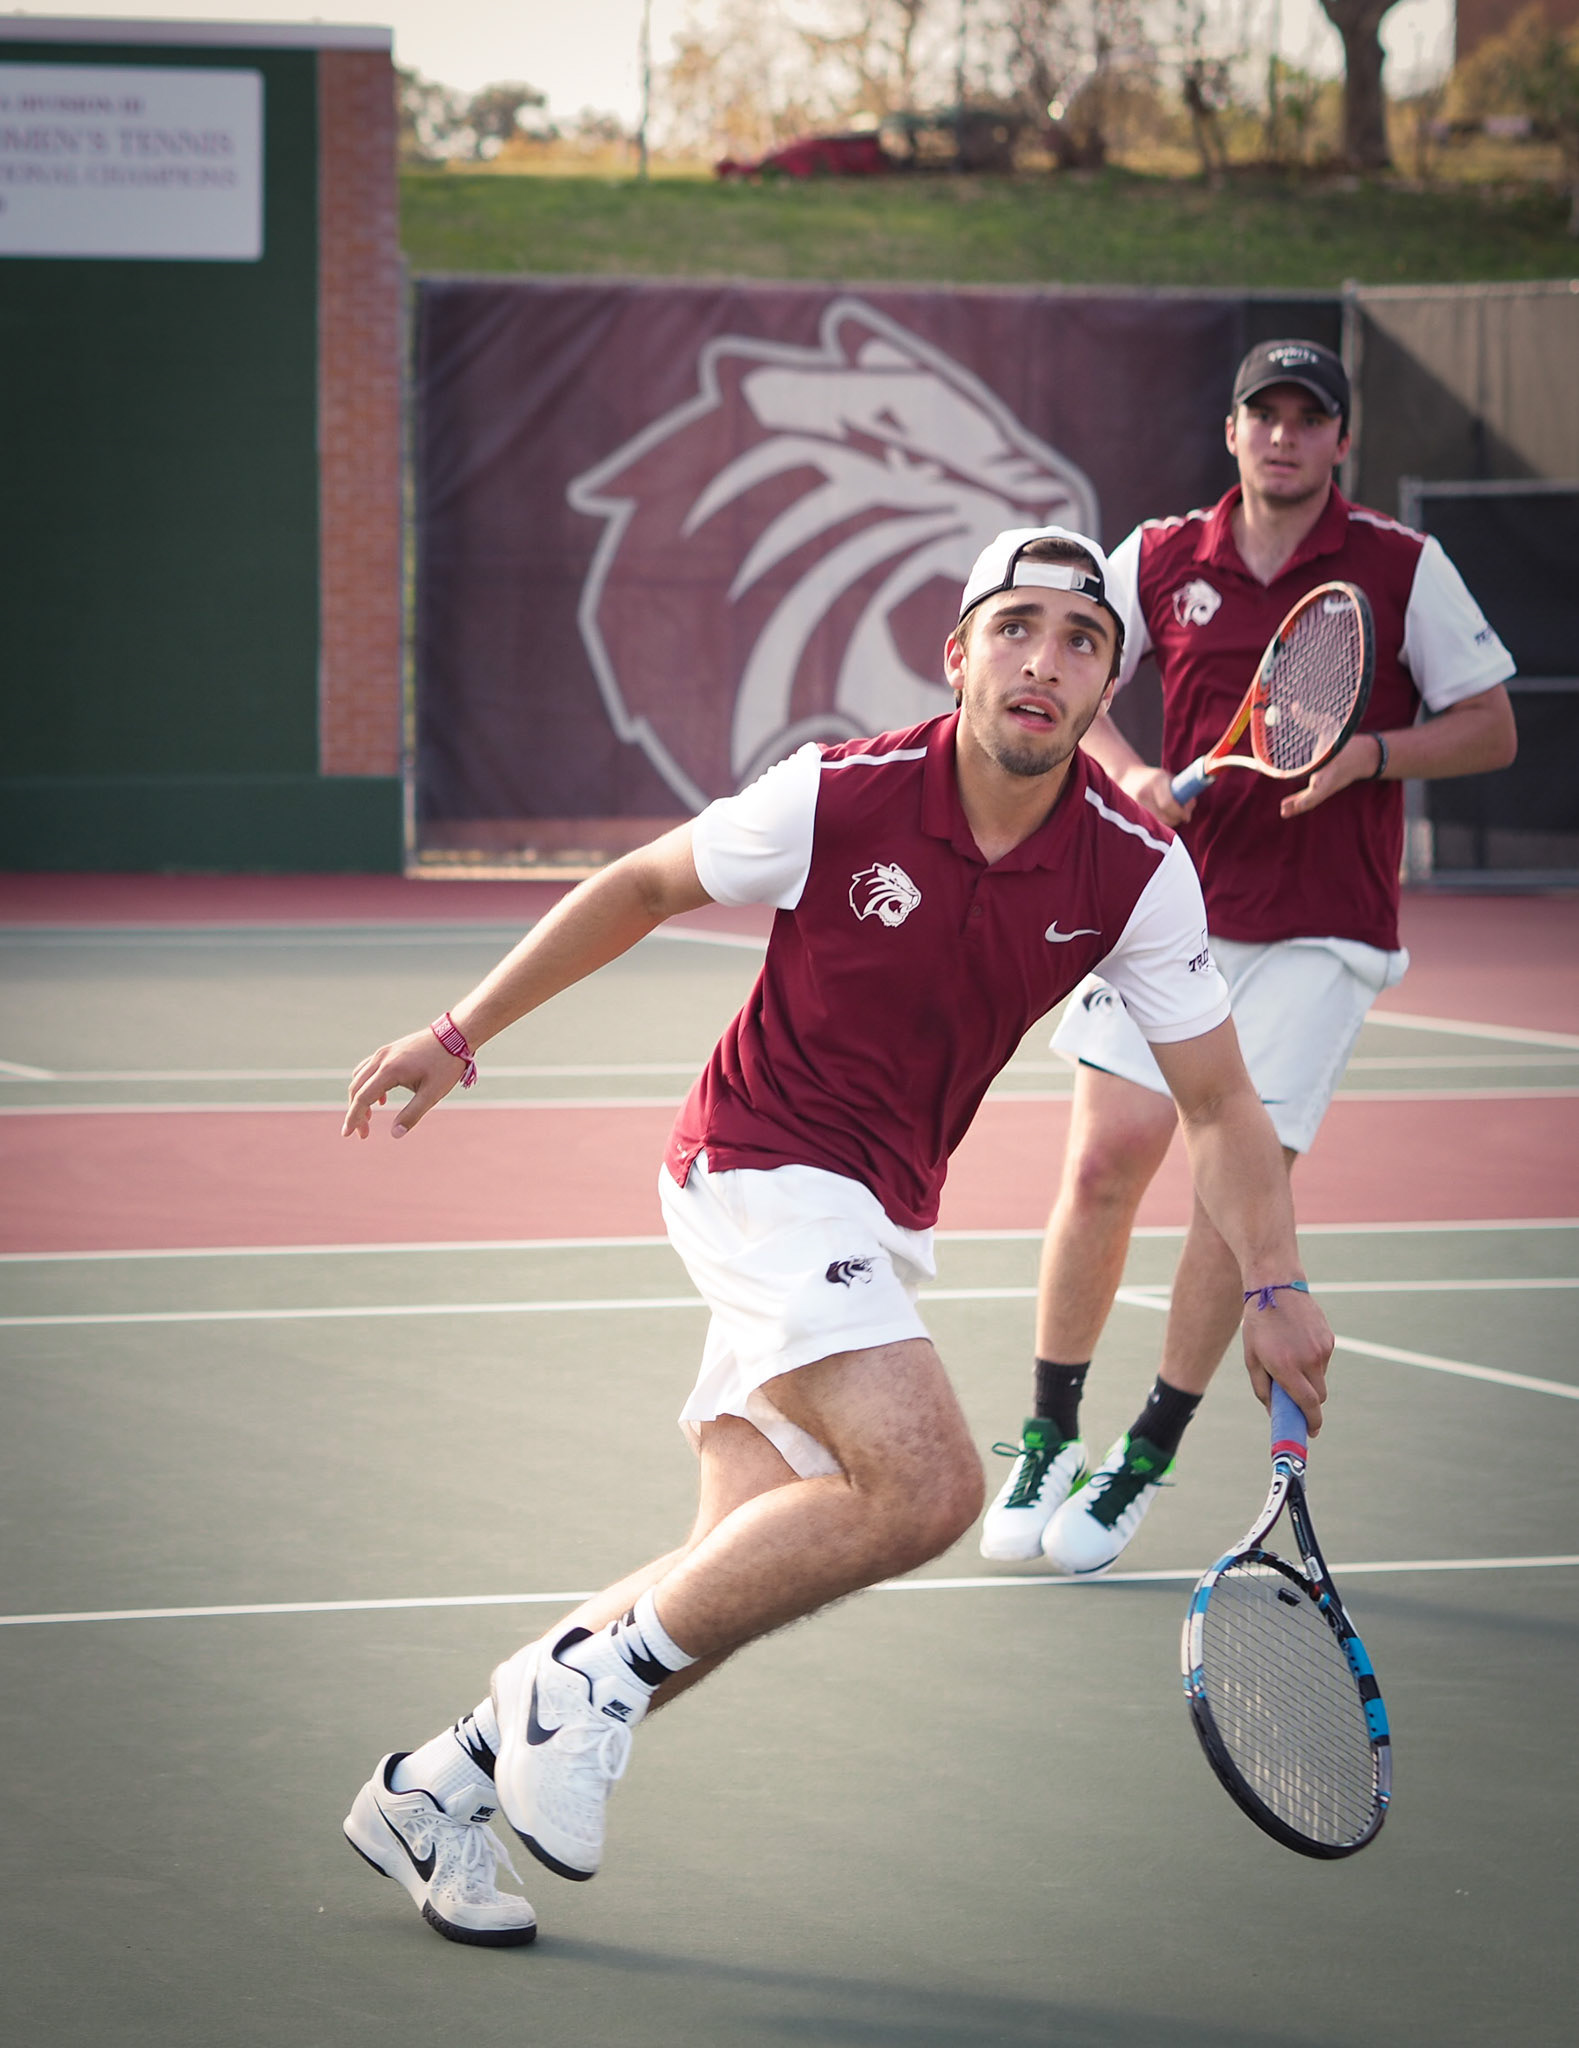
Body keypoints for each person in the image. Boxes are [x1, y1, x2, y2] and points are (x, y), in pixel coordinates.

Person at [339, 525, 1335, 1947]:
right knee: (925, 1485)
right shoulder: (840, 793)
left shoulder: (1131, 871)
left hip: (875, 1202)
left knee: (732, 1565)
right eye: (1016, 628)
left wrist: (1277, 1280)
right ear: (959, 654)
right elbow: (640, 885)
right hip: (751, 1162)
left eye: (1079, 640)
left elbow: (1222, 1106)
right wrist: (458, 1035)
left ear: (1105, 684)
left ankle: (435, 1787)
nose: (1041, 661)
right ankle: (575, 1695)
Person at [980, 340, 1517, 1577]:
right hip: (1171, 909)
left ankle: (1141, 1456)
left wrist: (1369, 756)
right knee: (1106, 1158)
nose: (1282, 436)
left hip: (1320, 935)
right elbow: (1071, 667)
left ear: (1340, 440)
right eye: (1261, 415)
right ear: (1231, 434)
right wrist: (1121, 771)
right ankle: (1048, 1431)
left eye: (1306, 418)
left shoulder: (1397, 566)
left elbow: (1489, 724)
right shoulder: (1163, 557)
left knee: (1235, 1198)